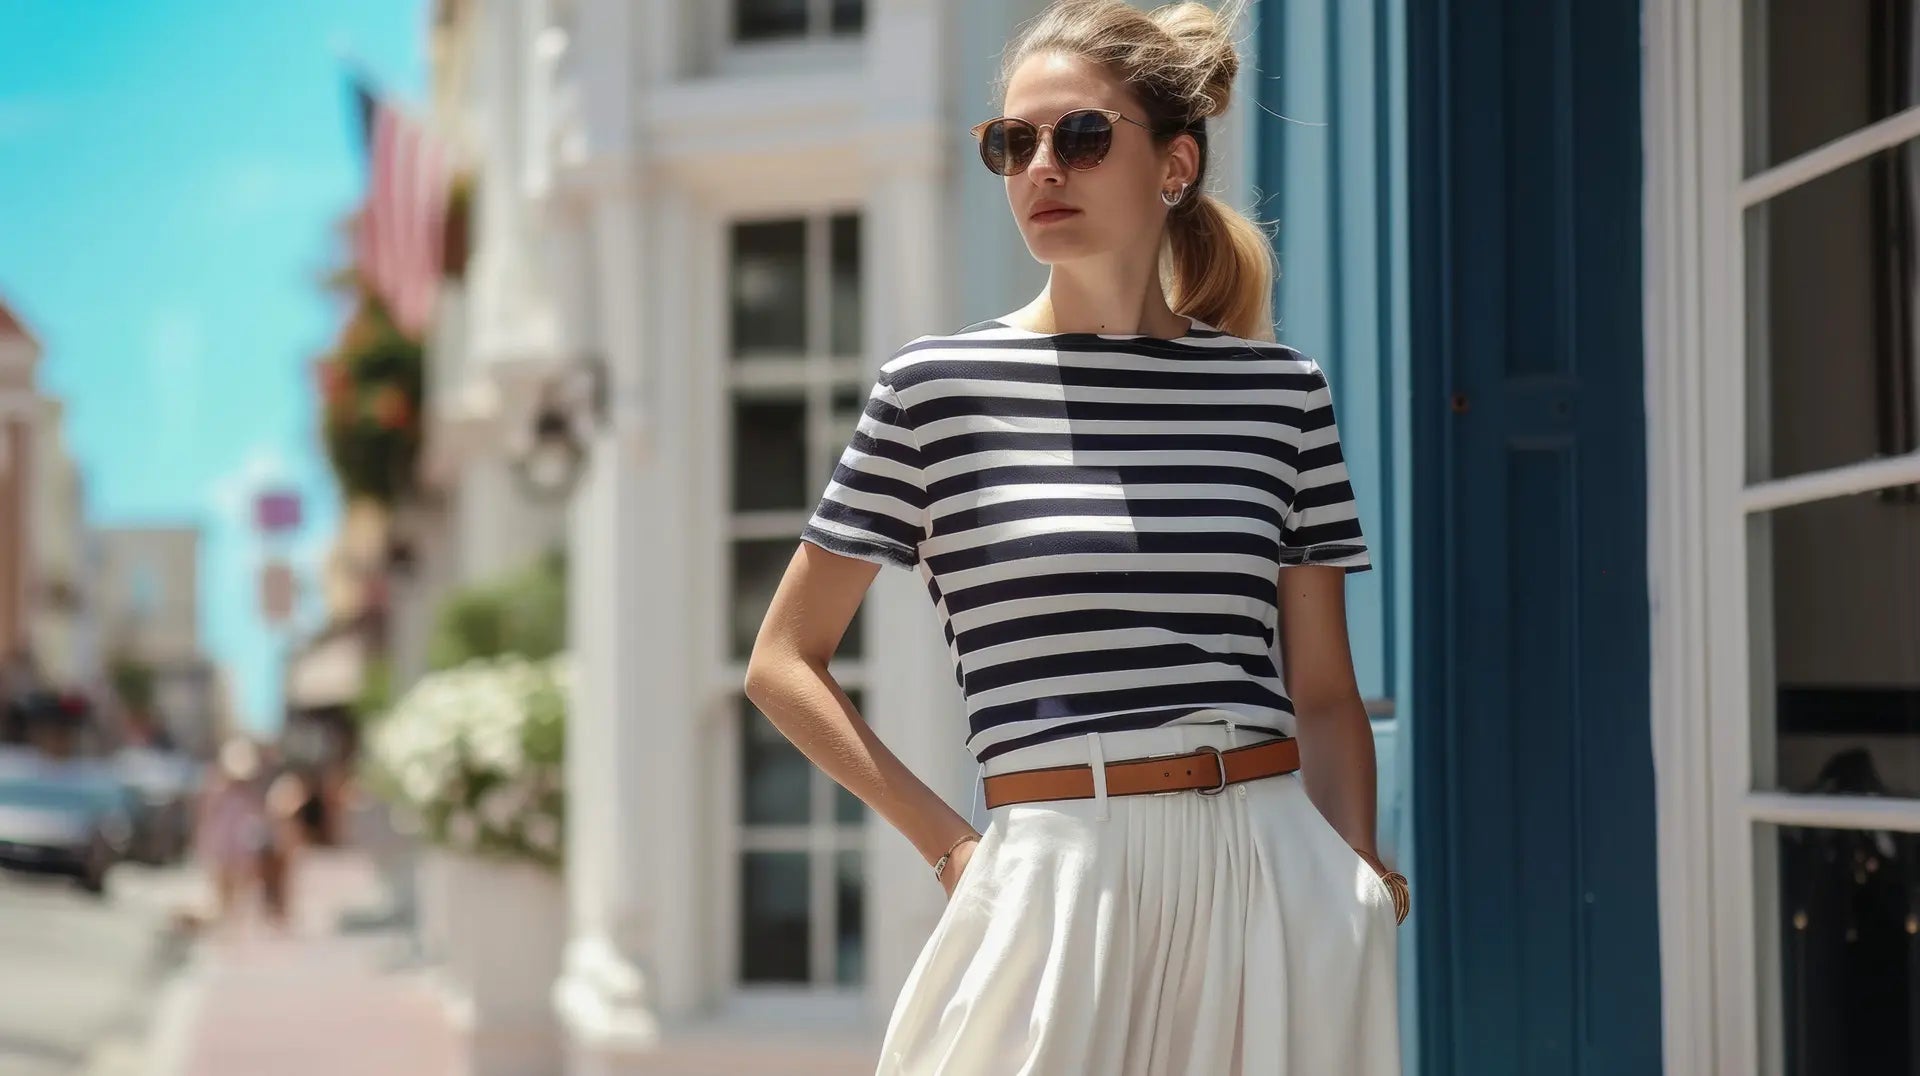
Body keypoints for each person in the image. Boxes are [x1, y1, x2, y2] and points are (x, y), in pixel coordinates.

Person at [743, 2, 1406, 1072]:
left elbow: (1323, 688)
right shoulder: (934, 388)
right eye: (1013, 143)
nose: (1041, 166)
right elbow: (781, 663)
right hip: (1049, 867)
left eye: (1082, 137)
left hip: (1269, 864)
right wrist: (957, 851)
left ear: (1175, 164)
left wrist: (1359, 880)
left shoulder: (1279, 393)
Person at [194, 737, 269, 931]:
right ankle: (227, 926)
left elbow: (257, 817)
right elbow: (207, 816)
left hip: (239, 845)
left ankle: (233, 925)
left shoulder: (247, 793)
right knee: (223, 889)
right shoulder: (218, 789)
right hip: (224, 844)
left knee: (238, 889)